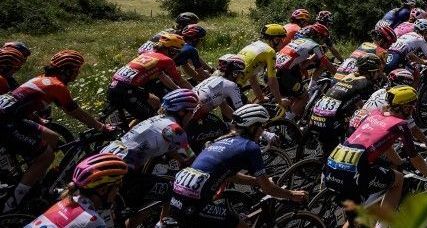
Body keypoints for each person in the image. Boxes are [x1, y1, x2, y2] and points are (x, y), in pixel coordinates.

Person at [0, 50, 114, 212]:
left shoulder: (40, 79)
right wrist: (101, 127)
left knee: (52, 137)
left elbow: (23, 107)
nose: (77, 75)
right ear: (67, 71)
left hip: (12, 117)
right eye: (76, 71)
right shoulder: (57, 86)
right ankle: (13, 202)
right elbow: (75, 112)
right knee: (46, 156)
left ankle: (35, 180)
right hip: (6, 123)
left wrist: (40, 121)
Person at [165, 104, 306, 227]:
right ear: (253, 128)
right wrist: (291, 194)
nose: (263, 131)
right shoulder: (250, 147)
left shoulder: (222, 140)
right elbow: (268, 189)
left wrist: (257, 182)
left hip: (176, 193)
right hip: (194, 202)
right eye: (262, 126)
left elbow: (230, 176)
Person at [322, 86, 427, 220]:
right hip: (352, 173)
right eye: (412, 106)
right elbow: (415, 158)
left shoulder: (374, 114)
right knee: (398, 180)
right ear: (405, 107)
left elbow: (385, 145)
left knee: (355, 219)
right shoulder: (400, 124)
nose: (413, 109)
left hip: (332, 164)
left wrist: (399, 163)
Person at [101, 89, 197, 209]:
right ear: (182, 112)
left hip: (107, 157)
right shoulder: (175, 129)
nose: (192, 116)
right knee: (174, 190)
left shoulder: (157, 119)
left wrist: (182, 160)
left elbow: (172, 150)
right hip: (121, 171)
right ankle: (163, 223)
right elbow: (193, 161)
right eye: (192, 112)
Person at [309, 54, 385, 155]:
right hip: (329, 122)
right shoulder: (366, 83)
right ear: (371, 72)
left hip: (315, 115)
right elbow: (371, 106)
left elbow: (357, 101)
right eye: (377, 71)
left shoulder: (351, 76)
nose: (379, 74)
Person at [29, 153, 128, 228]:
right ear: (103, 190)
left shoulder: (66, 200)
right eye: (117, 187)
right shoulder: (94, 221)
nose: (117, 192)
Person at [108, 33, 191, 122]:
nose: (177, 54)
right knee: (149, 119)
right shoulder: (167, 60)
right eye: (177, 51)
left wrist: (177, 89)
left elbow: (162, 76)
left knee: (156, 102)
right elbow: (180, 80)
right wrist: (193, 92)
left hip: (117, 86)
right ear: (172, 50)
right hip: (126, 90)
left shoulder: (149, 53)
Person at [190, 55, 246, 147]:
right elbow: (242, 111)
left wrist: (237, 120)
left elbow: (224, 107)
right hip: (196, 116)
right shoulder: (231, 85)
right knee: (231, 130)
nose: (240, 77)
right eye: (240, 73)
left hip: (190, 112)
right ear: (235, 73)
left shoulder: (211, 79)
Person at [274, 34, 331, 121]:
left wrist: (311, 60)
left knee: (289, 99)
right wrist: (340, 76)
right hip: (284, 73)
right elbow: (327, 64)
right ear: (320, 37)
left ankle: (276, 119)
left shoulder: (299, 41)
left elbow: (301, 66)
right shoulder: (315, 45)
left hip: (272, 69)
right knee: (304, 97)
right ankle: (286, 123)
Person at [237, 24, 288, 110]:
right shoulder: (270, 51)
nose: (282, 43)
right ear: (275, 40)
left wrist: (261, 98)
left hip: (223, 81)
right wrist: (280, 102)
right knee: (252, 116)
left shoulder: (255, 44)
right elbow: (272, 82)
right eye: (281, 40)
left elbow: (252, 78)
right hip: (233, 87)